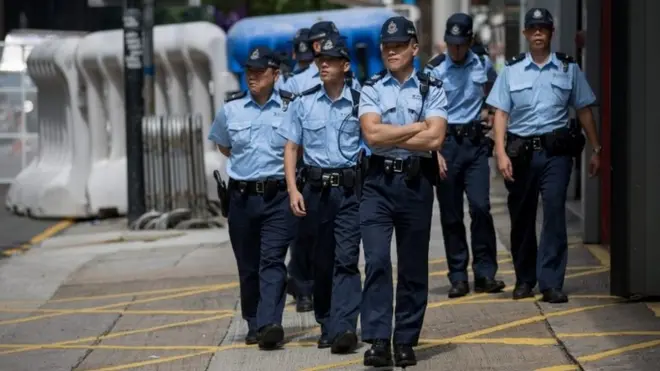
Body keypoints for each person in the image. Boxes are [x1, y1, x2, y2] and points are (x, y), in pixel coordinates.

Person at [486, 8, 601, 304]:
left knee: (553, 211)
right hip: (521, 153)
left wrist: (596, 148)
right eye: (532, 28)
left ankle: (551, 282)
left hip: (555, 155)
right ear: (525, 34)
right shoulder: (511, 71)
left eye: (543, 28)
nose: (538, 33)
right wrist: (500, 153)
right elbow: (500, 114)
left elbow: (584, 109)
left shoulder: (568, 69)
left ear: (551, 33)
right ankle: (525, 279)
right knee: (522, 216)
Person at [358, 16, 448, 367]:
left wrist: (392, 132)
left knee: (412, 266)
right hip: (377, 184)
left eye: (398, 46)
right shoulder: (371, 86)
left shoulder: (432, 86)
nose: (391, 52)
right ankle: (379, 340)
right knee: (377, 260)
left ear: (414, 47)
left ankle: (406, 339)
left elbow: (437, 137)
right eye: (386, 47)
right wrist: (415, 127)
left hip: (415, 184)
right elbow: (371, 136)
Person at [207, 46, 297, 349]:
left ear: (275, 74)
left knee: (272, 261)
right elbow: (224, 145)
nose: (253, 77)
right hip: (242, 198)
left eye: (259, 72)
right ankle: (254, 321)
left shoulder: (289, 107)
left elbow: (298, 148)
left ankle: (271, 323)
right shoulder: (231, 108)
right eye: (249, 72)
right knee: (248, 265)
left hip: (277, 197)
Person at [279, 33, 362, 355]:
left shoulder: (361, 100)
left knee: (346, 260)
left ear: (345, 65)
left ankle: (344, 327)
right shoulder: (304, 101)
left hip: (349, 190)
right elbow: (291, 147)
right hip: (315, 191)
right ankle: (327, 323)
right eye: (319, 61)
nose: (322, 65)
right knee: (322, 262)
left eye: (329, 61)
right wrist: (292, 190)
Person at [424, 13, 505, 298]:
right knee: (451, 214)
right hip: (446, 146)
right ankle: (458, 276)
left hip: (474, 146)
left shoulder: (483, 64)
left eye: (460, 44)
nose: (455, 49)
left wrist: (493, 122)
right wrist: (434, 151)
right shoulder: (434, 70)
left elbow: (498, 96)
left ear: (469, 41)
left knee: (481, 208)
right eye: (451, 44)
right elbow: (424, 113)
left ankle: (485, 274)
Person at [284, 27, 317, 313]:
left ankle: (305, 287)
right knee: (309, 232)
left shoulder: (292, 81)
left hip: (308, 165)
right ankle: (306, 287)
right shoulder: (294, 82)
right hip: (309, 164)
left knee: (304, 233)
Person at [287, 21, 361, 94]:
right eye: (331, 41)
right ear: (316, 46)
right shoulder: (297, 81)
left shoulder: (348, 77)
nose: (336, 43)